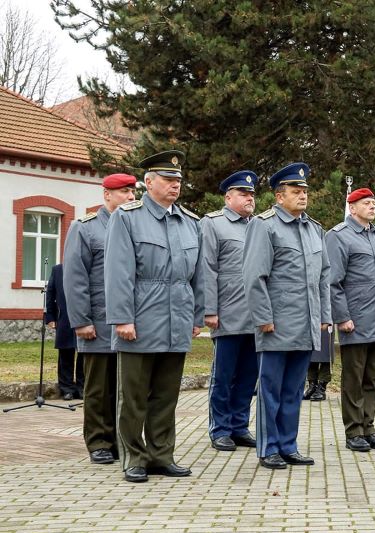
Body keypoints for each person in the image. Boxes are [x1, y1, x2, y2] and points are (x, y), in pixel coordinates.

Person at [105, 150, 204, 483]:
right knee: (133, 395)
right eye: (168, 179)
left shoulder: (190, 222)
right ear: (148, 183)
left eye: (178, 180)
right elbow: (118, 272)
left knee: (166, 394)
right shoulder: (128, 217)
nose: (175, 185)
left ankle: (162, 454)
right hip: (141, 316)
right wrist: (122, 318)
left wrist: (196, 316)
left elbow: (198, 276)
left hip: (177, 318)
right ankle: (135, 456)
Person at [243, 162, 331, 469]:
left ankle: (288, 445)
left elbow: (324, 277)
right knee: (271, 390)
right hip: (276, 323)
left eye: (305, 191)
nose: (303, 196)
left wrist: (324, 316)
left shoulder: (314, 229)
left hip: (305, 324)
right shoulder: (264, 226)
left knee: (294, 390)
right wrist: (263, 317)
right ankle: (268, 448)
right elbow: (255, 277)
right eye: (296, 191)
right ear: (280, 197)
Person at [63, 173, 135, 464]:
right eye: (124, 192)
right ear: (107, 195)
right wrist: (81, 320)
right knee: (98, 388)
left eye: (133, 192)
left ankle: (122, 439)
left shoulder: (134, 225)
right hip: (99, 321)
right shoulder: (86, 228)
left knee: (127, 388)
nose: (131, 197)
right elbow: (75, 277)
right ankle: (99, 442)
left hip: (129, 322)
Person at [325, 187, 375, 452]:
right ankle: (353, 430)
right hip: (355, 321)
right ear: (352, 208)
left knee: (373, 378)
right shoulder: (339, 237)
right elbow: (333, 281)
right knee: (353, 379)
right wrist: (342, 317)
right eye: (366, 203)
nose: (372, 206)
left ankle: (368, 427)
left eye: (374, 203)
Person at [201, 170, 259, 452]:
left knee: (249, 376)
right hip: (227, 314)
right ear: (228, 197)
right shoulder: (213, 224)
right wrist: (209, 310)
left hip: (257, 317)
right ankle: (220, 428)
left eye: (252, 194)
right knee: (223, 377)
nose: (250, 198)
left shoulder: (259, 225)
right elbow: (207, 269)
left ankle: (239, 426)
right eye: (244, 194)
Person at [45, 263, 84, 403]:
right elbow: (50, 293)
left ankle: (81, 388)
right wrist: (50, 316)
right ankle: (66, 388)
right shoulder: (57, 270)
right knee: (65, 353)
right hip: (64, 317)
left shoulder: (86, 266)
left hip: (83, 316)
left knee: (84, 353)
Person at [304, 328, 334, 402]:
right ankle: (312, 386)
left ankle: (321, 387)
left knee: (326, 354)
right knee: (311, 352)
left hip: (326, 321)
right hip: (310, 320)